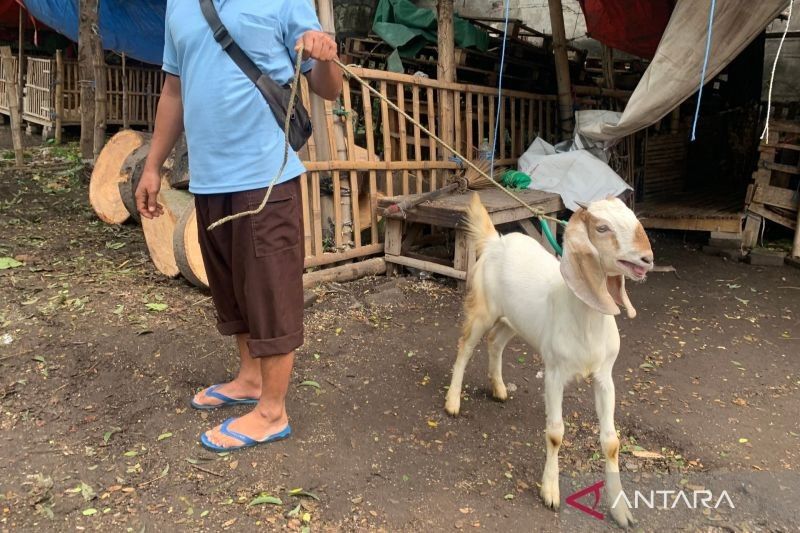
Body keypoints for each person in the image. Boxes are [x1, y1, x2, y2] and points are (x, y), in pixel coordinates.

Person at [135, 1, 342, 452]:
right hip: (208, 179)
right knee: (232, 287)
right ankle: (250, 379)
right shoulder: (181, 5)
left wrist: (325, 54)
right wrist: (153, 166)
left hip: (265, 175)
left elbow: (329, 88)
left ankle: (272, 411)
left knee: (269, 291)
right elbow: (174, 90)